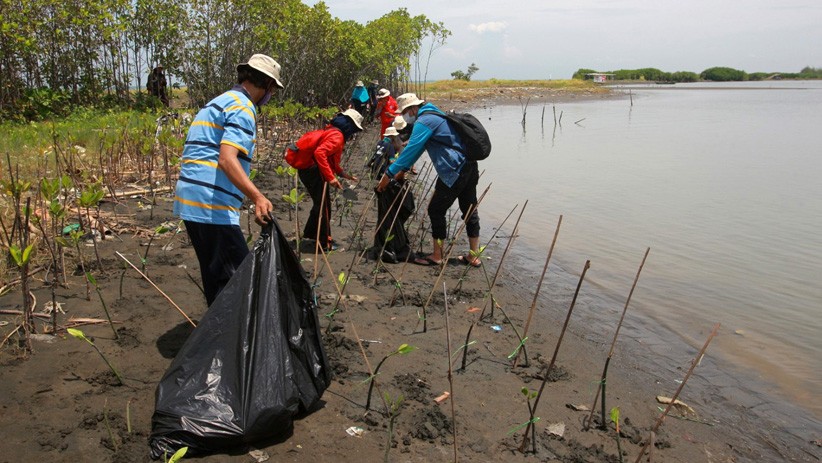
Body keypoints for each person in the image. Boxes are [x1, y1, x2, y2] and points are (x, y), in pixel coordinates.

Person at [173, 54, 283, 306]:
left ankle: (223, 337)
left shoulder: (218, 101)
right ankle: (226, 343)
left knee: (219, 278)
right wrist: (257, 196)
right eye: (272, 90)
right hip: (211, 207)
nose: (271, 96)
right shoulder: (243, 107)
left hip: (191, 201)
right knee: (236, 284)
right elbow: (227, 159)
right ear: (266, 84)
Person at [376, 93, 481, 267]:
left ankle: (437, 255)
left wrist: (388, 175)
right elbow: (419, 149)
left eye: (405, 112)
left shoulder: (424, 121)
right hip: (469, 165)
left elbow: (410, 151)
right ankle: (473, 256)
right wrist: (400, 173)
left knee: (436, 210)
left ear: (413, 109)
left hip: (453, 170)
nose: (404, 117)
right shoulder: (436, 113)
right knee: (469, 209)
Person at [291, 109, 363, 251]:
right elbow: (320, 153)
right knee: (324, 206)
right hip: (313, 172)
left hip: (308, 171)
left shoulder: (331, 131)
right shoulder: (337, 136)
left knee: (320, 204)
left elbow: (332, 161)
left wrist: (343, 175)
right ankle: (324, 242)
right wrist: (331, 178)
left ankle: (311, 235)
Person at [368, 126, 414, 262]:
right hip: (386, 180)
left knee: (386, 214)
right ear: (394, 138)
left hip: (378, 178)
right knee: (393, 213)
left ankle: (388, 244)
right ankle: (392, 247)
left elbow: (372, 161)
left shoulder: (381, 143)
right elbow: (393, 163)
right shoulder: (391, 147)